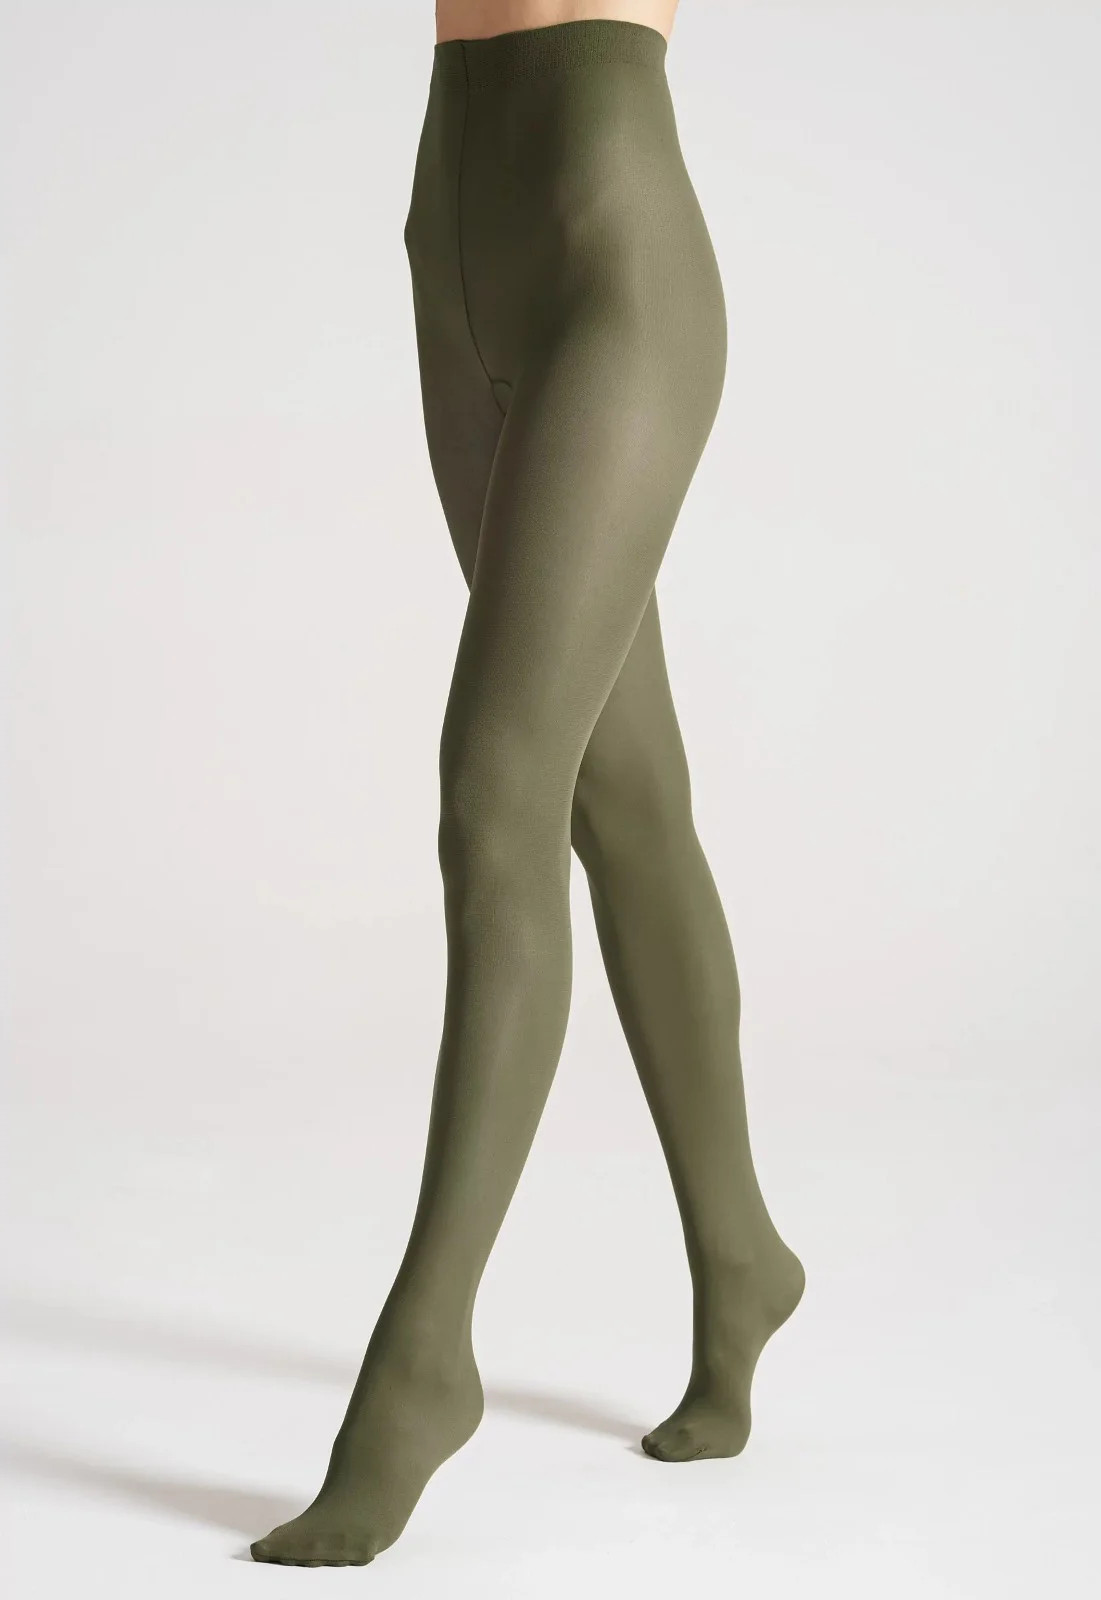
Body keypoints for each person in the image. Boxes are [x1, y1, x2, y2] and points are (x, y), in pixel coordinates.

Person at [251, 0, 804, 1567]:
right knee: (618, 799)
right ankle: (742, 1256)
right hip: (452, 239)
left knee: (496, 796)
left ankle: (423, 1362)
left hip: (612, 254)